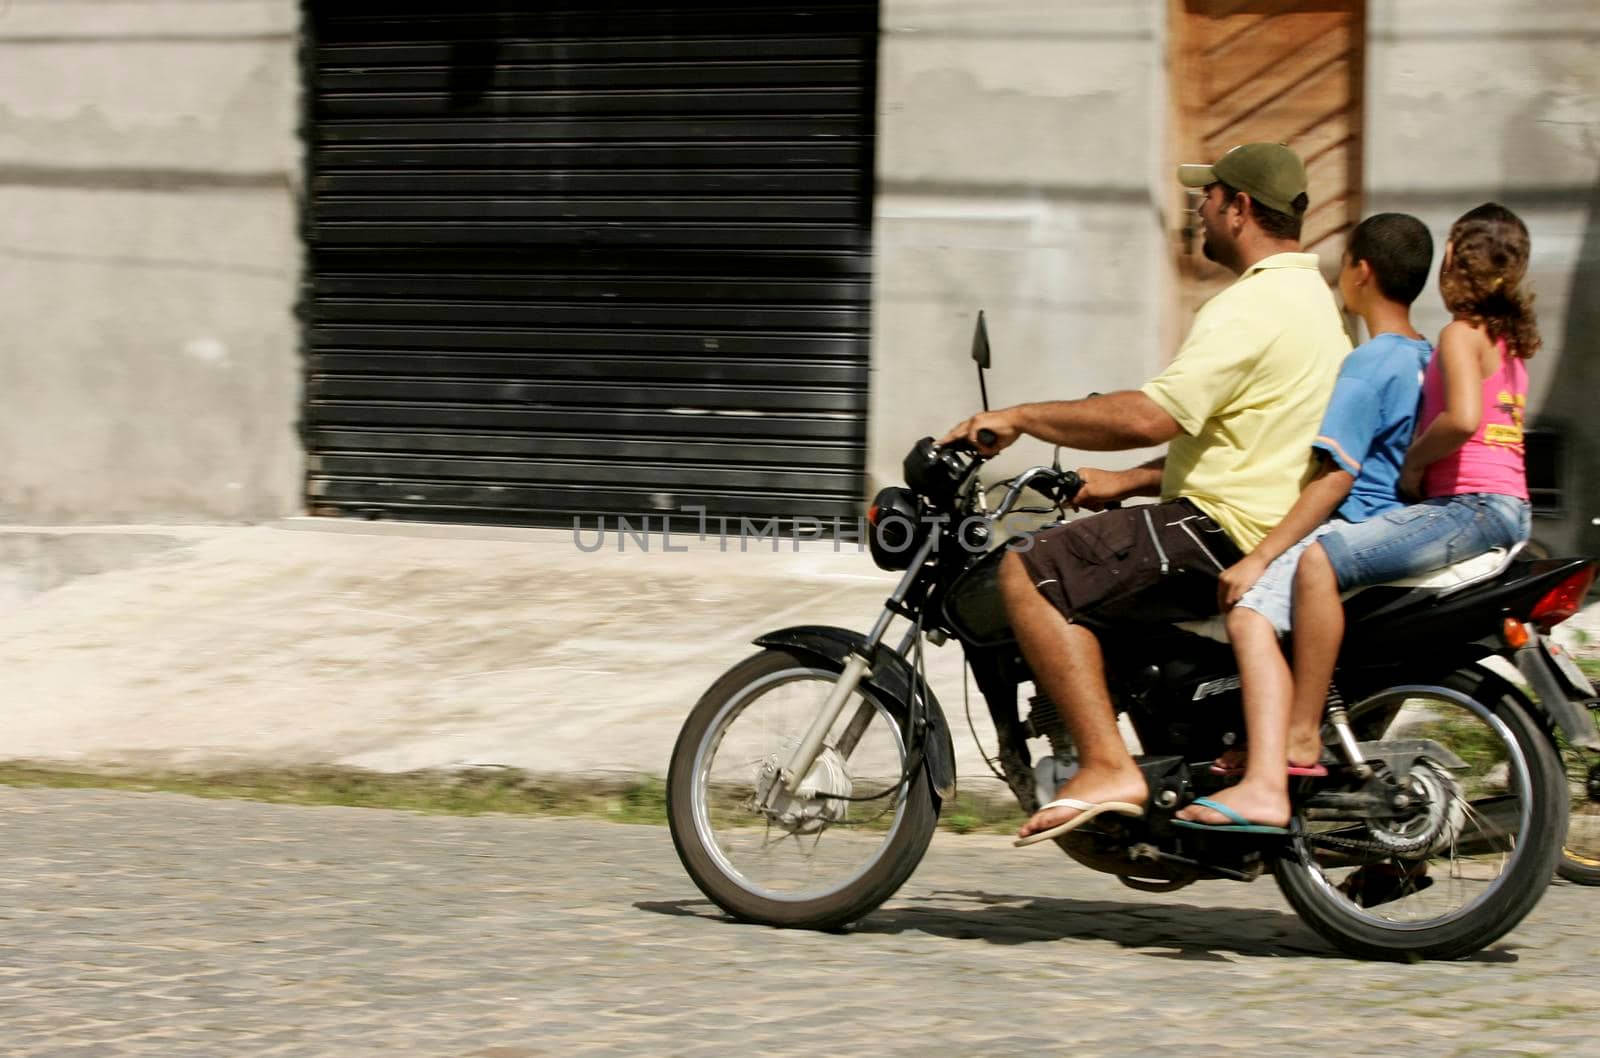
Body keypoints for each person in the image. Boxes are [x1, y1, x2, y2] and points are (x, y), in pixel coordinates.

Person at [942, 142, 1351, 846]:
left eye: (1210, 195)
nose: (1199, 208)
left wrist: (1018, 417)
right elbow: (1253, 441)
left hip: (1218, 529)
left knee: (1030, 571)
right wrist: (1127, 484)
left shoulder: (1249, 305)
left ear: (1240, 207)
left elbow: (1146, 416)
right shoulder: (1317, 303)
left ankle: (1106, 765)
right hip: (1264, 523)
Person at [1172, 212, 1436, 833]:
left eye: (1342, 263)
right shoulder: (1429, 359)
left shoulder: (1368, 363)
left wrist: (1259, 556)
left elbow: (1335, 476)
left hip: (1353, 528)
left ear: (1360, 271)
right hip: (1403, 530)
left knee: (1250, 612)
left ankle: (1268, 776)